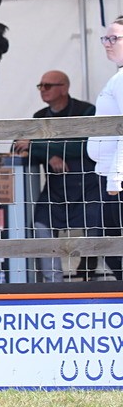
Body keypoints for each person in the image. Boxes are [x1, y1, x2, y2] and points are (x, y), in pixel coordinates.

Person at [12, 70, 100, 282]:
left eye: (48, 86)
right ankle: (55, 283)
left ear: (64, 88)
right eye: (40, 86)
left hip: (88, 186)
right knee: (41, 226)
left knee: (97, 227)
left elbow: (84, 146)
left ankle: (88, 275)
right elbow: (20, 146)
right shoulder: (39, 117)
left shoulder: (87, 111)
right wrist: (51, 155)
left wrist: (40, 146)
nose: (43, 90)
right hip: (56, 189)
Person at [88, 17, 123, 280]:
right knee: (109, 244)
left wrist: (116, 176)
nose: (107, 44)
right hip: (110, 174)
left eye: (114, 38)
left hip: (117, 178)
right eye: (105, 38)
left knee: (111, 244)